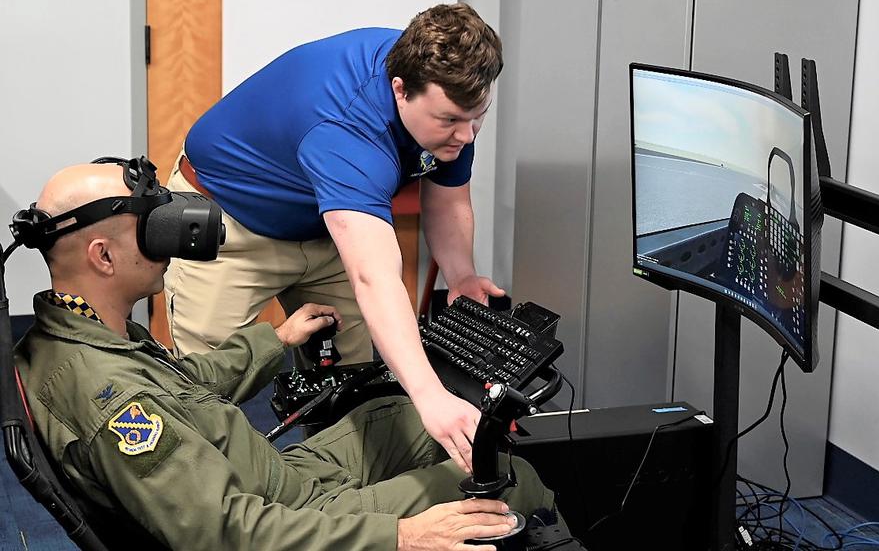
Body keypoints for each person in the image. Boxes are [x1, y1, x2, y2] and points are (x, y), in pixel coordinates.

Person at [13, 162, 555, 550]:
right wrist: (404, 536)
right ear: (103, 256)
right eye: (151, 227)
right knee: (511, 477)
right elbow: (228, 533)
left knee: (417, 415)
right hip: (284, 517)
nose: (171, 237)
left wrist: (278, 338)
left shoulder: (80, 331)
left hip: (265, 473)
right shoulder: (111, 398)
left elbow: (183, 381)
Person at [164, 3, 504, 474]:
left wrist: (462, 276)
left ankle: (331, 498)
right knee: (207, 394)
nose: (466, 135)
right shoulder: (347, 129)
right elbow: (375, 278)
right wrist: (430, 397)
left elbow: (446, 199)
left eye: (478, 117)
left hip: (323, 225)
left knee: (351, 379)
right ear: (399, 90)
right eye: (450, 120)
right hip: (231, 221)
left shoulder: (448, 85)